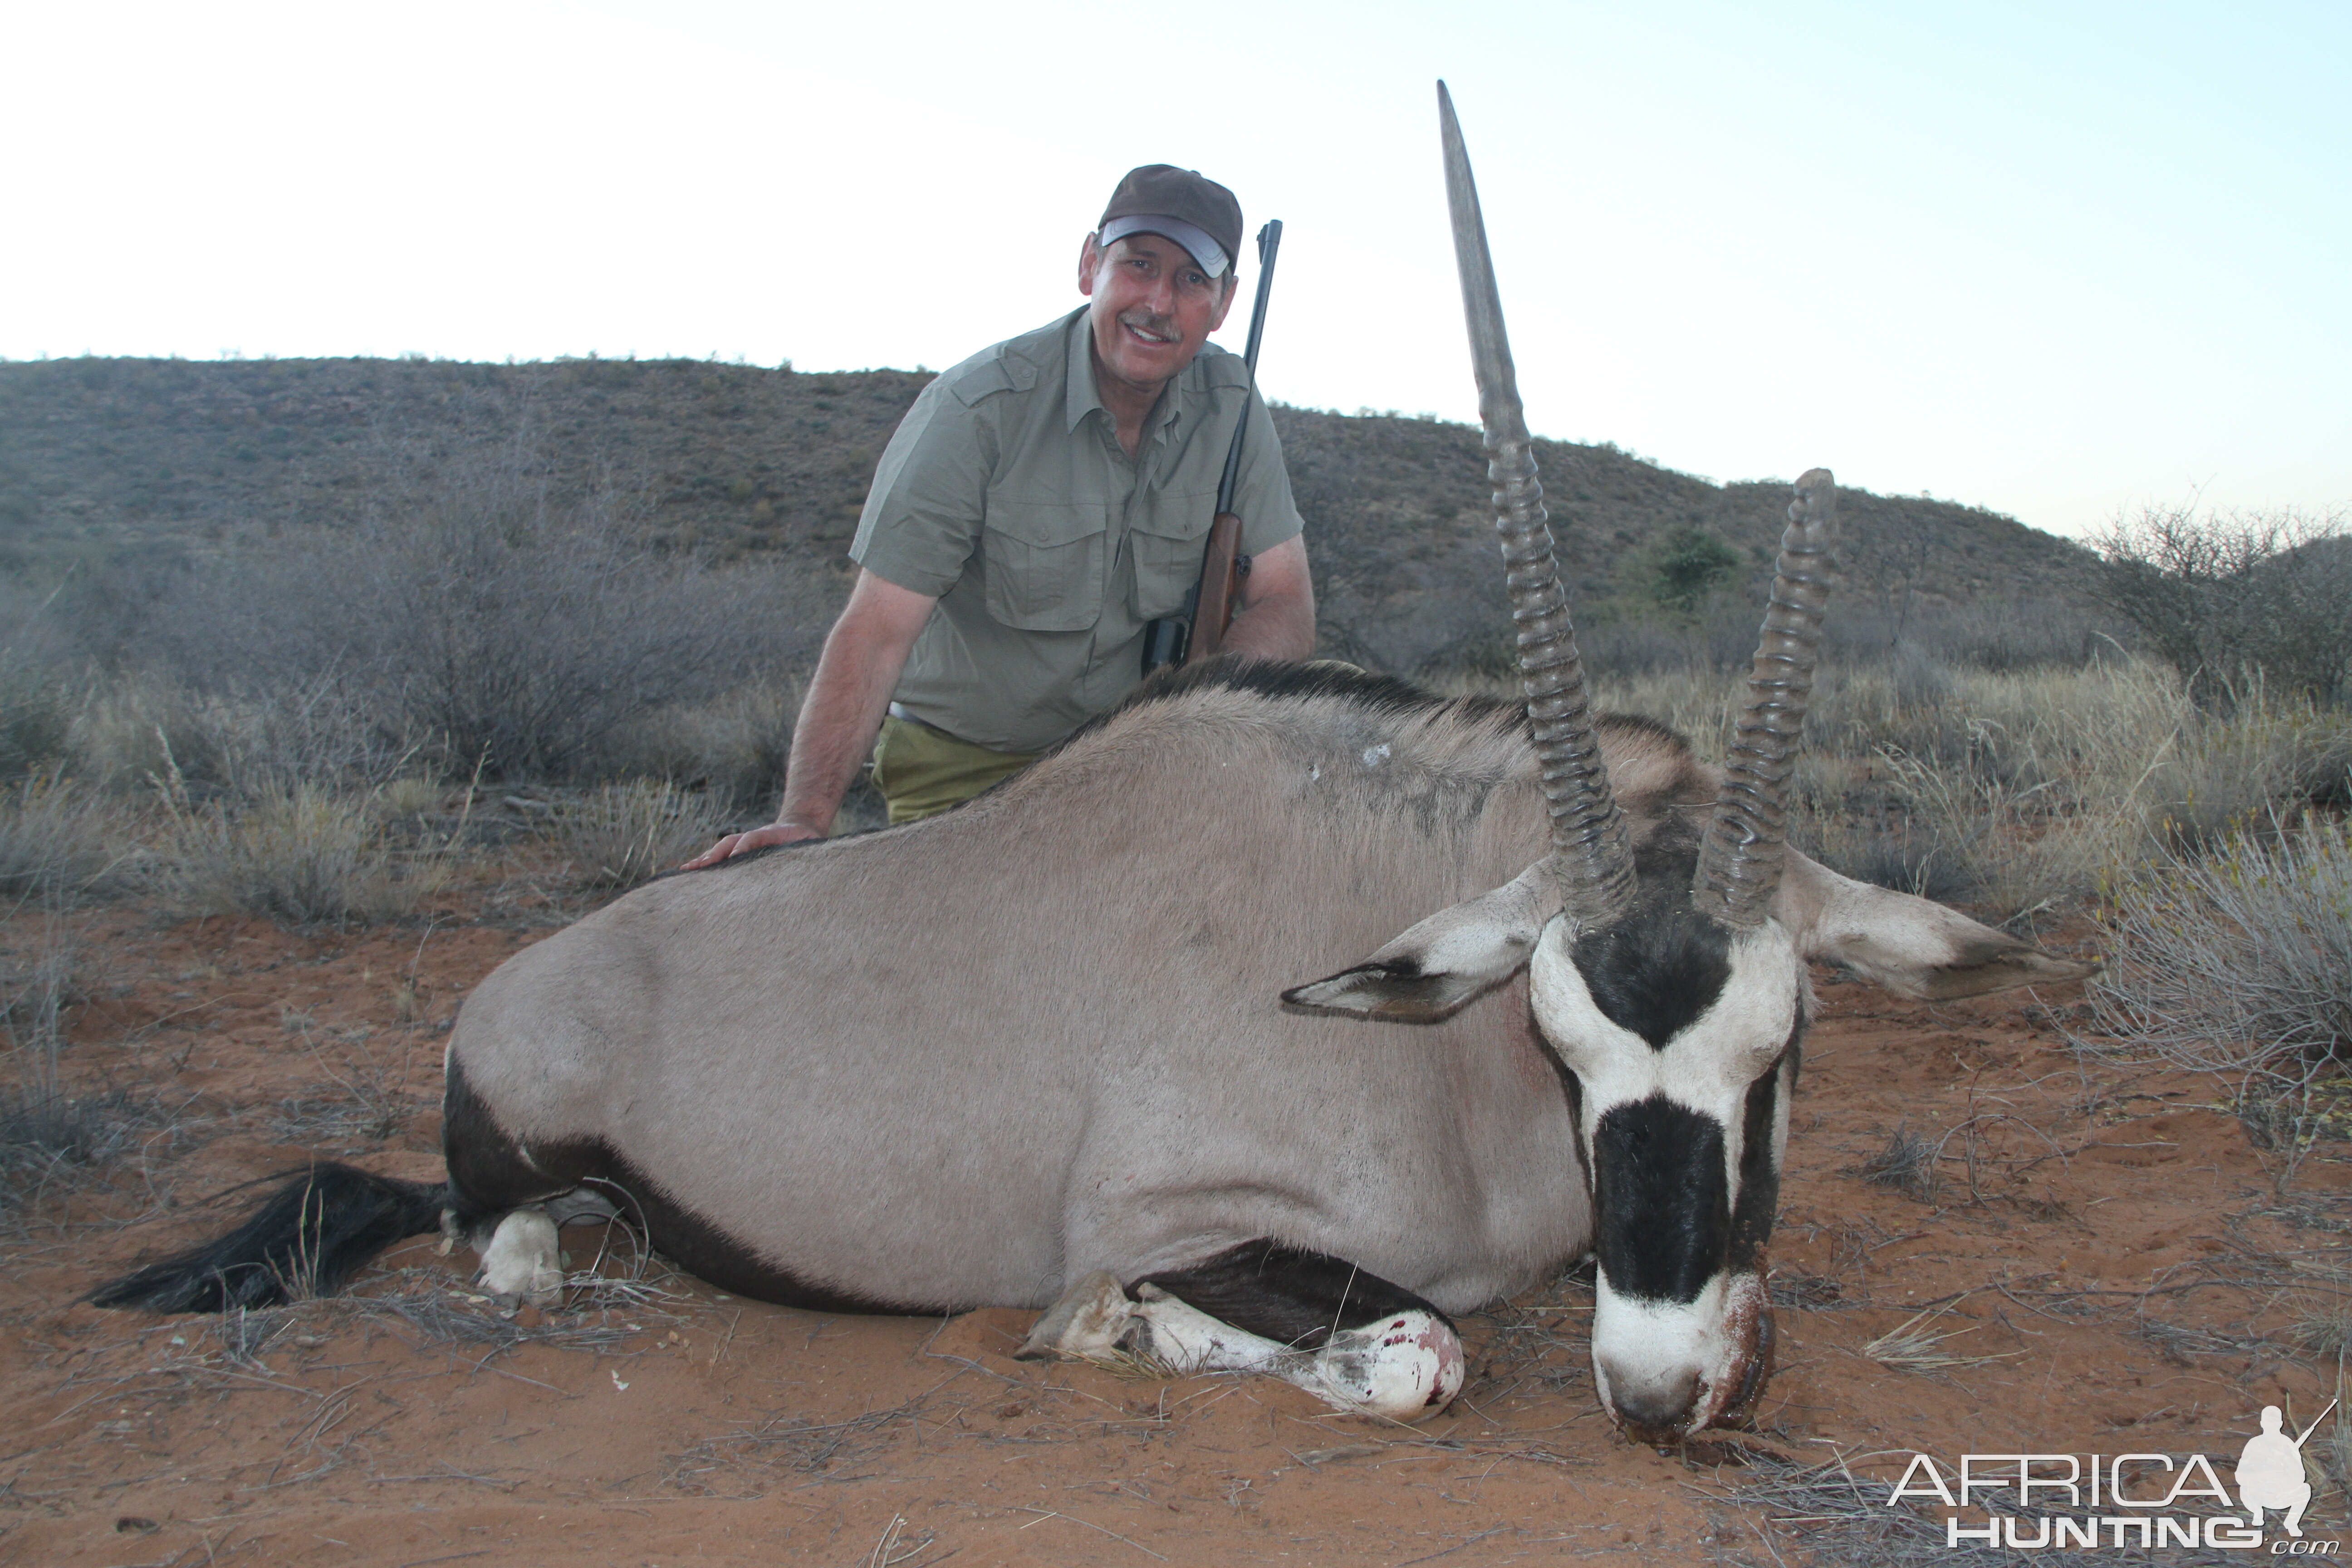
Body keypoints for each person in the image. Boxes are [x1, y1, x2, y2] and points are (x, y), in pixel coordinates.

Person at [688, 165, 1315, 866]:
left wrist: (1213, 701)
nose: (1159, 302)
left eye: (1192, 280)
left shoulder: (1232, 403)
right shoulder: (977, 409)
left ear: (1224, 303)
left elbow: (1285, 597)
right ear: (1089, 266)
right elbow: (877, 632)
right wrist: (806, 817)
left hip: (1141, 750)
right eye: (1139, 266)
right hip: (972, 767)